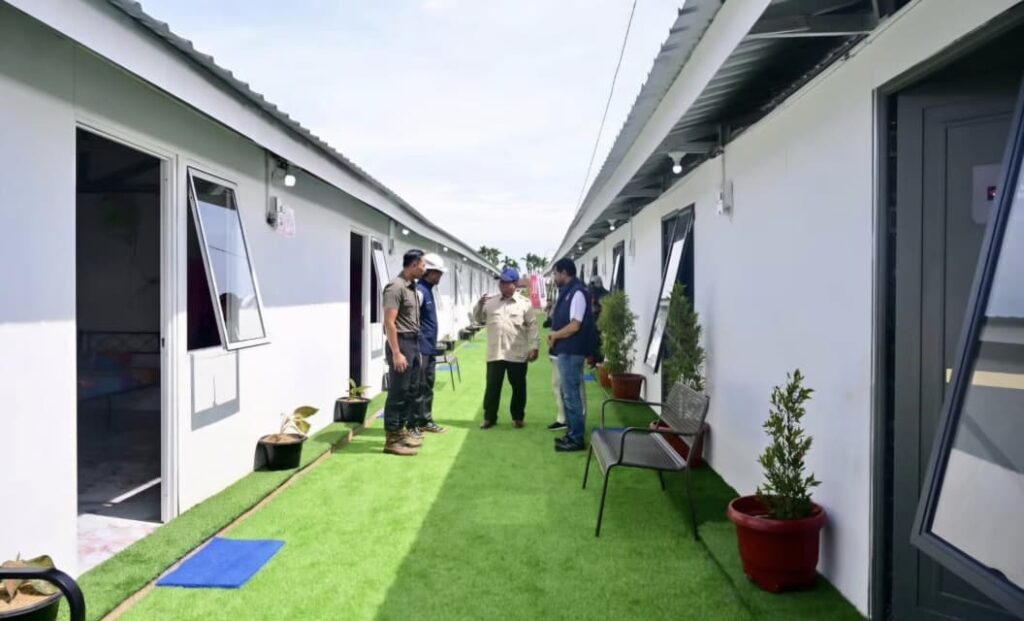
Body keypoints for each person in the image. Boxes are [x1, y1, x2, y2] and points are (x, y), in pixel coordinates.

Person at [474, 267, 539, 429]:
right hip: (495, 353)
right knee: (492, 387)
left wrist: (534, 346)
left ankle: (518, 417)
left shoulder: (524, 304)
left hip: (517, 353)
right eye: (501, 282)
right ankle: (489, 418)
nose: (502, 285)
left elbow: (532, 326)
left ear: (515, 284)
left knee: (518, 387)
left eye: (506, 282)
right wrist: (479, 305)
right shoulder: (490, 302)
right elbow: (478, 319)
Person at [381, 249, 428, 456]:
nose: (425, 269)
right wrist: (397, 353)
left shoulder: (412, 287)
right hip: (401, 343)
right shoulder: (395, 287)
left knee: (411, 390)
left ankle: (400, 434)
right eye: (423, 265)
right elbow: (389, 322)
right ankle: (392, 439)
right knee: (398, 392)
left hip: (413, 342)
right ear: (414, 264)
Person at [548, 258, 597, 452]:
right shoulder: (569, 291)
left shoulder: (577, 293)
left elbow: (575, 325)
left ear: (564, 273)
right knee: (566, 392)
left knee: (571, 395)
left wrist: (555, 335)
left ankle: (577, 438)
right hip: (566, 350)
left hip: (572, 351)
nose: (554, 277)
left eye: (555, 273)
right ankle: (571, 433)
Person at [411, 253, 449, 435]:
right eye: (438, 273)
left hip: (429, 348)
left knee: (427, 385)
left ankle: (425, 420)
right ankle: (413, 424)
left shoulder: (429, 291)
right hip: (420, 349)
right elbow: (411, 320)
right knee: (418, 387)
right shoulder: (419, 291)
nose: (440, 276)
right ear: (429, 272)